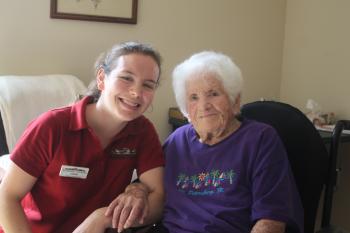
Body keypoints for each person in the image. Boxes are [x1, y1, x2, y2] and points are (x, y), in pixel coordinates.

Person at [0, 42, 165, 233]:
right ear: (102, 78)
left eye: (148, 85)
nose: (136, 93)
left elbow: (158, 201)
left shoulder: (143, 132)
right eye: (126, 78)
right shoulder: (52, 126)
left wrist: (103, 218)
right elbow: (7, 196)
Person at [159, 51, 303, 233]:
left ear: (235, 100)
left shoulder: (260, 139)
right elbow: (152, 189)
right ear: (185, 109)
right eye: (193, 97)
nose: (204, 105)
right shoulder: (177, 141)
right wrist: (137, 192)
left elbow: (271, 221)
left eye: (213, 93)